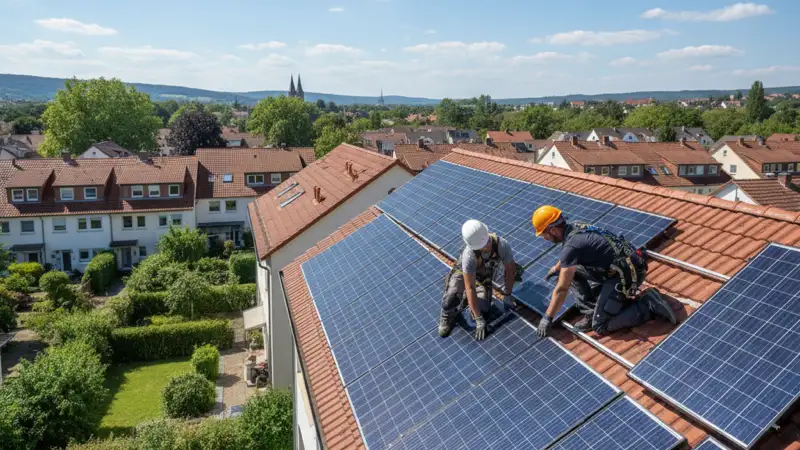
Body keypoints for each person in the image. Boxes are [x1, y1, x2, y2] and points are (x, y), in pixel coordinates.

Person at [531, 205, 676, 338]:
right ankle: (590, 312)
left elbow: (562, 289)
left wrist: (547, 318)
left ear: (553, 230)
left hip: (627, 275)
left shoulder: (572, 246)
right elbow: (569, 258)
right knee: (571, 271)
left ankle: (647, 305)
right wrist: (557, 268)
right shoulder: (576, 226)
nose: (545, 238)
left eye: (544, 235)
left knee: (600, 326)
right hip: (627, 264)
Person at [438, 220, 518, 340]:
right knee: (451, 296)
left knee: (484, 311)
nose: (487, 246)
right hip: (464, 274)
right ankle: (447, 314)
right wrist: (478, 319)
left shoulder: (501, 245)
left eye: (487, 242)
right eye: (482, 246)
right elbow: (470, 287)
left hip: (482, 277)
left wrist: (507, 294)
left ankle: (468, 301)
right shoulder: (469, 255)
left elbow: (510, 271)